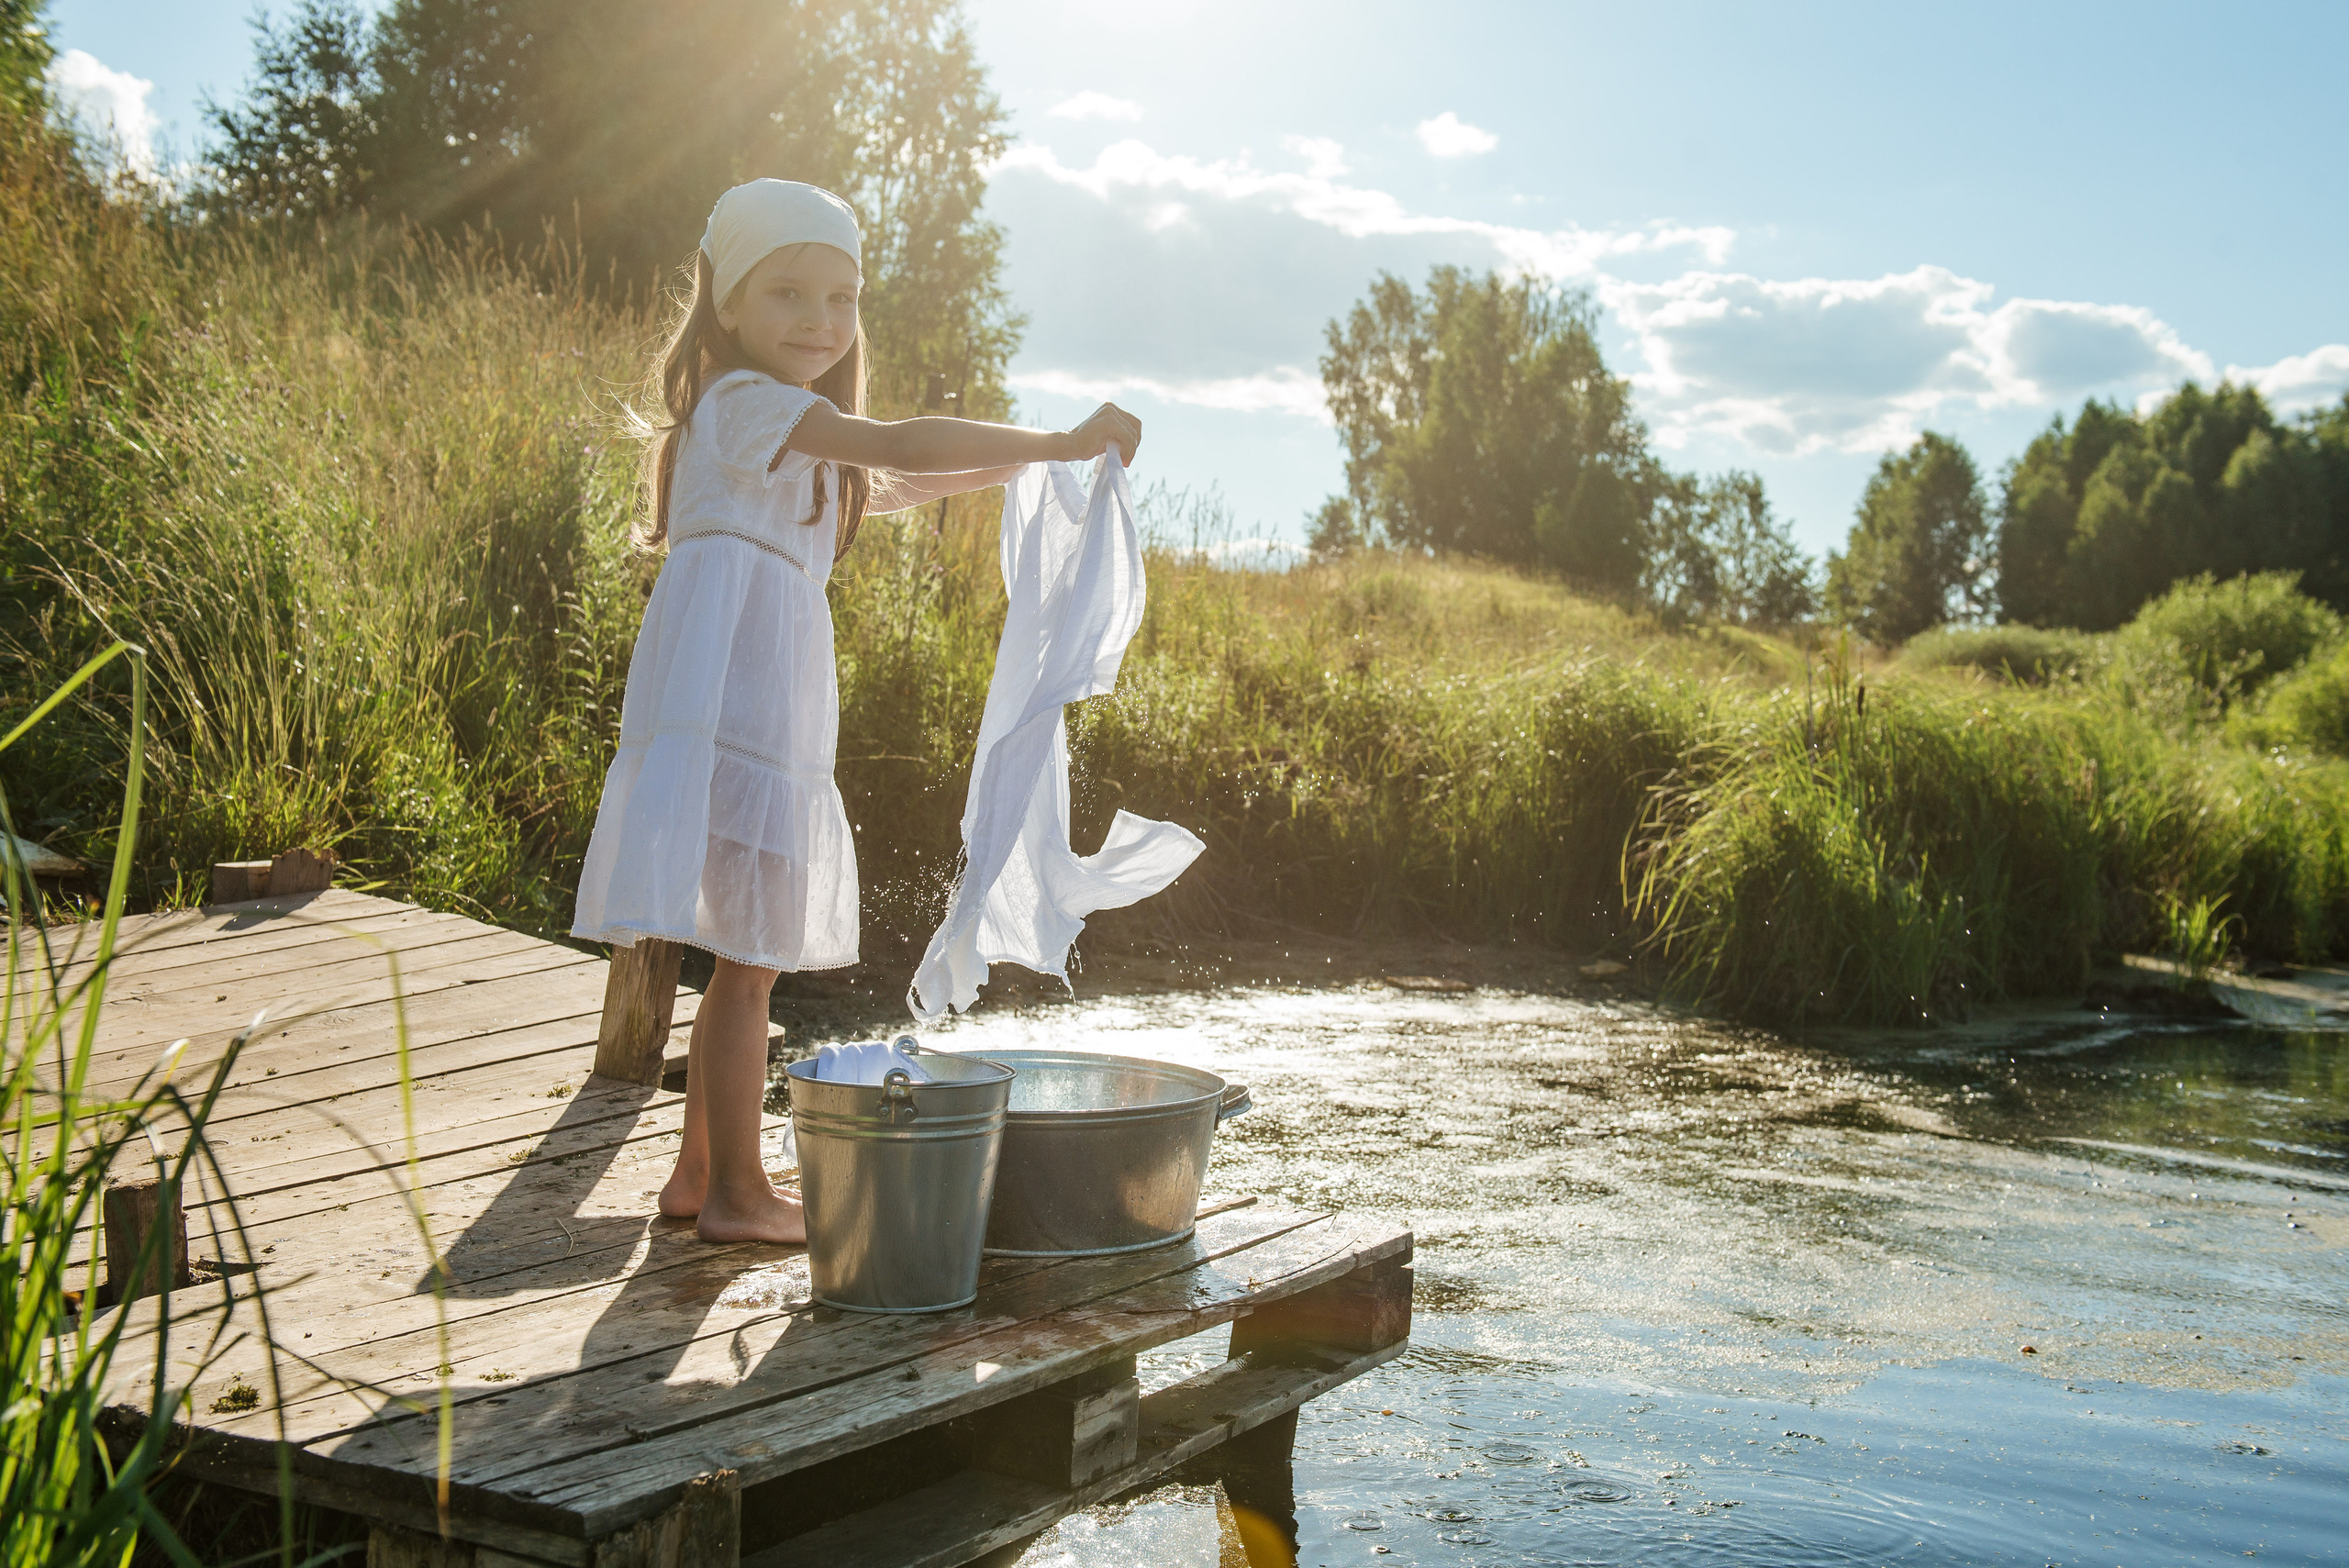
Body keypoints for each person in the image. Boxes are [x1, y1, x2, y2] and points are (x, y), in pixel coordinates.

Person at [572, 179, 1141, 1243]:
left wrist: (1039, 461)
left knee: (745, 958)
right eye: (787, 292)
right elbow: (901, 444)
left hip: (758, 702)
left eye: (841, 298)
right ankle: (738, 1193)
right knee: (749, 962)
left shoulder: (792, 434)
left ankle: (700, 1175)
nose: (819, 320)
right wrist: (1059, 438)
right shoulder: (745, 402)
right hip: (738, 706)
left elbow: (908, 477)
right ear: (727, 304)